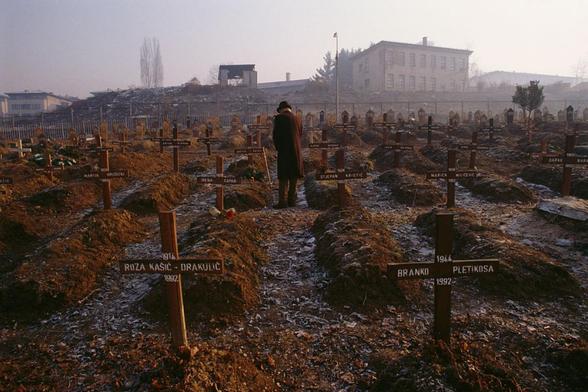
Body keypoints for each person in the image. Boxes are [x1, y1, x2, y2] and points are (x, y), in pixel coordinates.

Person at [272, 101, 304, 208]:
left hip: (284, 151)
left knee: (283, 177)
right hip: (296, 151)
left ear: (281, 109)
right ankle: (292, 201)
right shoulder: (297, 118)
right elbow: (300, 134)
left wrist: (278, 148)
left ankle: (282, 201)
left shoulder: (279, 118)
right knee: (293, 175)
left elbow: (276, 136)